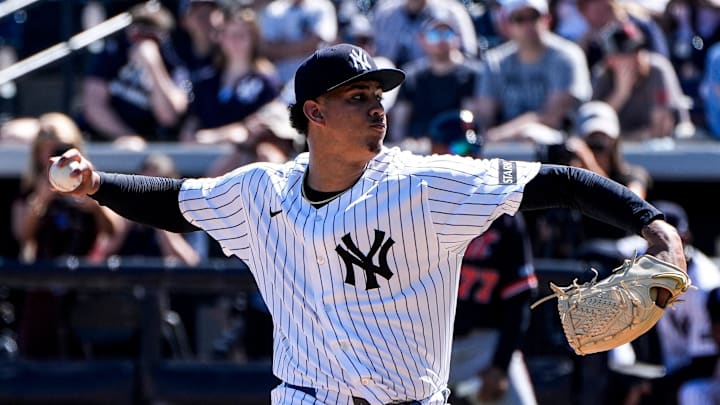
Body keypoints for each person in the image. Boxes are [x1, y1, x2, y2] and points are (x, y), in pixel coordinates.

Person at [51, 43, 686, 404]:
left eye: (378, 98)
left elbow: (559, 181)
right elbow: (172, 200)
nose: (375, 109)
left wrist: (654, 225)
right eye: (356, 98)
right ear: (314, 114)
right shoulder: (257, 192)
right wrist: (98, 184)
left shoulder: (426, 183)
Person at [431, 112, 538, 405]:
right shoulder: (410, 204)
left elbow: (518, 299)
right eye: (459, 150)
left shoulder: (502, 210)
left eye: (473, 151)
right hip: (425, 345)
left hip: (484, 343)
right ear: (434, 150)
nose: (469, 159)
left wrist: (501, 366)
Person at [10, 112, 121, 359]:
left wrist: (94, 204)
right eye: (48, 150)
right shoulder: (30, 190)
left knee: (84, 357)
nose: (55, 156)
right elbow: (22, 234)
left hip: (85, 287)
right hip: (45, 287)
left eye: (62, 149)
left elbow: (113, 231)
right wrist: (41, 200)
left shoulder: (90, 183)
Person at [472, 0, 591, 144]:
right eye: (519, 19)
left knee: (531, 133)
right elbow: (485, 115)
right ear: (507, 25)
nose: (528, 25)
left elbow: (551, 116)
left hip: (559, 143)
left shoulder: (567, 56)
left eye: (534, 17)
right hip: (503, 146)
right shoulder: (495, 61)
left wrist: (500, 134)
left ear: (547, 19)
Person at [76, 1, 190, 145]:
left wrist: (153, 65)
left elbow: (169, 117)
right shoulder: (113, 52)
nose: (141, 41)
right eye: (137, 33)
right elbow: (93, 104)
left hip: (151, 145)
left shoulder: (174, 63)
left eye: (150, 36)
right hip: (103, 137)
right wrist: (125, 135)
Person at [388, 17, 480, 150]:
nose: (441, 40)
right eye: (434, 35)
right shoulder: (411, 75)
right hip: (418, 148)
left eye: (447, 34)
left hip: (459, 147)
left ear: (457, 39)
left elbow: (472, 120)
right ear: (422, 40)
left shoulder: (472, 74)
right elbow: (399, 123)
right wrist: (402, 145)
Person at [590, 20, 689, 141]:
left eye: (638, 50)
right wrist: (620, 93)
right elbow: (595, 131)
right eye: (627, 53)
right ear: (610, 60)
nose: (637, 57)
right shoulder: (602, 76)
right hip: (616, 151)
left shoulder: (657, 70)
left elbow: (661, 127)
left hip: (656, 148)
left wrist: (631, 137)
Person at [370, 0, 478, 69]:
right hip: (392, 86)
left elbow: (469, 56)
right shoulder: (384, 13)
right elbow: (373, 53)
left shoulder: (452, 12)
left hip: (436, 81)